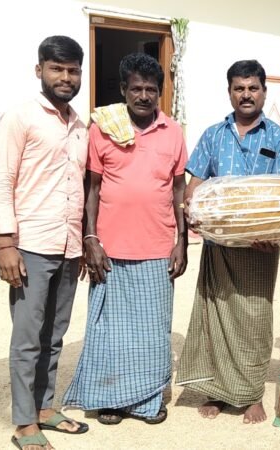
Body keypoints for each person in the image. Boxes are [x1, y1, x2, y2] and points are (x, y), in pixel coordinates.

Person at [63, 53, 188, 425]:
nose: (144, 96)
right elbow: (92, 188)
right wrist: (90, 238)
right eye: (136, 88)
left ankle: (148, 401)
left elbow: (178, 189)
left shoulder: (173, 131)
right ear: (123, 90)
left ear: (160, 93)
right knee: (111, 331)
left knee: (153, 332)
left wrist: (182, 241)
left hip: (158, 248)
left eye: (151, 89)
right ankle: (111, 399)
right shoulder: (103, 129)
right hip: (110, 249)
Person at [176, 59, 280, 424]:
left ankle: (251, 393)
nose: (246, 94)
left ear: (264, 92)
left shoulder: (279, 138)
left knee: (255, 318)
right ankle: (216, 391)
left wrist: (272, 234)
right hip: (219, 246)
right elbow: (194, 183)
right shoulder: (214, 135)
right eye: (239, 88)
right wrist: (193, 209)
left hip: (260, 247)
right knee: (216, 314)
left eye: (253, 88)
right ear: (229, 92)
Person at [0, 35, 90, 450]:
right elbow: (2, 180)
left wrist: (81, 241)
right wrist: (6, 243)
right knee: (28, 338)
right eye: (57, 69)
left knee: (55, 334)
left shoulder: (80, 125)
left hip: (68, 245)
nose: (65, 77)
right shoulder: (20, 117)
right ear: (40, 70)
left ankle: (45, 407)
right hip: (30, 244)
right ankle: (24, 423)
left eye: (73, 70)